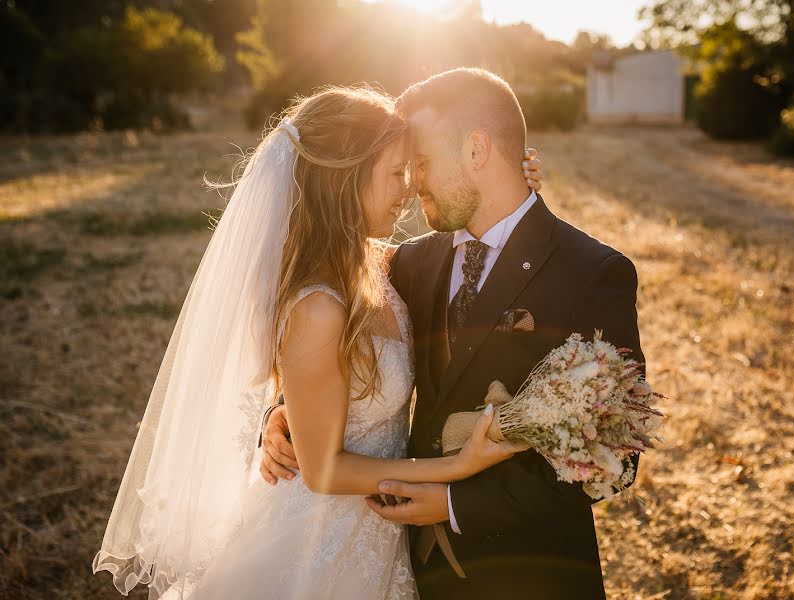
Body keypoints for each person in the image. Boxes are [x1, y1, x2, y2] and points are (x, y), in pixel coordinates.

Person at [91, 84, 543, 600]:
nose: (409, 187)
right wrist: (455, 469)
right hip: (314, 541)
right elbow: (324, 468)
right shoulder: (318, 304)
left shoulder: (381, 266)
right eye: (396, 173)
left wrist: (517, 188)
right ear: (346, 180)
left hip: (376, 533)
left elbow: (483, 256)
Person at [262, 68, 645, 600]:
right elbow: (332, 342)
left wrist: (454, 504)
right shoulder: (414, 264)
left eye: (420, 162)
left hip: (530, 575)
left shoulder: (592, 273)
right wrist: (284, 417)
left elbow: (614, 456)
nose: (410, 180)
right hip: (407, 570)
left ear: (476, 151)